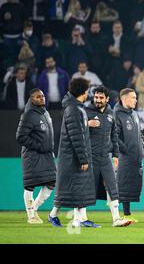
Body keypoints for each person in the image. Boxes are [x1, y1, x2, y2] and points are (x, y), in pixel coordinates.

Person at [49, 78, 100, 228]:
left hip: (72, 156)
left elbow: (78, 130)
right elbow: (76, 137)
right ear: (83, 91)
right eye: (87, 89)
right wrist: (83, 159)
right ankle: (54, 216)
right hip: (72, 157)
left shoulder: (76, 108)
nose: (88, 93)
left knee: (77, 189)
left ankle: (80, 220)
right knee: (69, 190)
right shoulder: (74, 109)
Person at [85, 86, 132, 227]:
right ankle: (79, 217)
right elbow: (74, 129)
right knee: (86, 188)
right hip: (90, 157)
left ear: (107, 99)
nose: (98, 100)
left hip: (106, 157)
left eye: (101, 98)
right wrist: (86, 124)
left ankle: (116, 219)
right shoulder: (85, 112)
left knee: (112, 186)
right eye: (96, 97)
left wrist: (116, 154)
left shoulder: (111, 113)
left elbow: (114, 136)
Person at [16, 88, 56, 224]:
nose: (42, 98)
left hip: (47, 155)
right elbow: (20, 137)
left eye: (43, 96)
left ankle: (35, 208)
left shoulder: (45, 112)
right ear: (32, 99)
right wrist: (39, 146)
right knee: (30, 185)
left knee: (52, 182)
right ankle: (31, 216)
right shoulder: (28, 115)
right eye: (38, 97)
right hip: (32, 155)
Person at [114, 88, 144, 223]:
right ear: (124, 99)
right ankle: (123, 214)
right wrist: (124, 149)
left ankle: (127, 213)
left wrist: (142, 143)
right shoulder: (117, 114)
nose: (136, 100)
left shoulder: (135, 114)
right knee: (123, 184)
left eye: (136, 97)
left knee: (131, 184)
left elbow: (139, 132)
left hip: (136, 155)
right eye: (133, 97)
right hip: (125, 156)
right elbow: (114, 136)